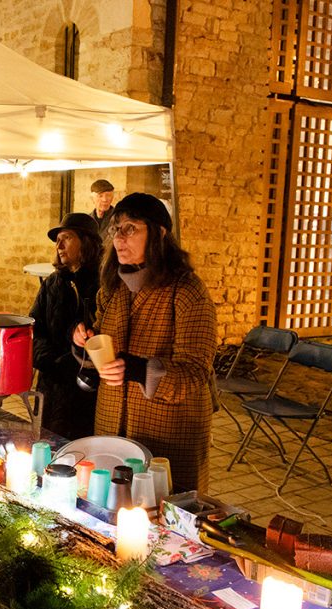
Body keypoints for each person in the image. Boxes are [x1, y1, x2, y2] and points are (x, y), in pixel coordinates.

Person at [72, 193, 216, 493]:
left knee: (163, 515)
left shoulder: (187, 291)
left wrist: (138, 370)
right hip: (113, 426)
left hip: (168, 433)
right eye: (116, 229)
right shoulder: (112, 289)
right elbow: (101, 343)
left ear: (159, 233)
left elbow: (195, 373)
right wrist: (84, 341)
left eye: (131, 228)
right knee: (111, 506)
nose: (119, 238)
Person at [30, 213, 103, 440]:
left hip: (86, 391)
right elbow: (34, 328)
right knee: (47, 444)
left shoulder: (103, 284)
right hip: (51, 385)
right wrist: (51, 361)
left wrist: (74, 361)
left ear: (87, 242)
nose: (59, 246)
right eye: (57, 240)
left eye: (67, 238)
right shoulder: (52, 283)